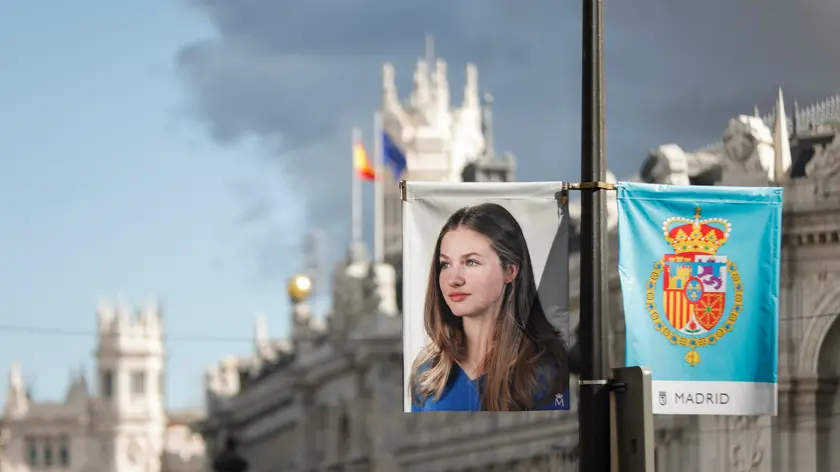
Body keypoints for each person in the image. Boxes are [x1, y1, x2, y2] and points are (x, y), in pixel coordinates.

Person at [409, 202, 569, 411]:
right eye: (445, 264)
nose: (453, 279)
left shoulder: (545, 370)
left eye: (471, 262)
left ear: (510, 271)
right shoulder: (427, 373)